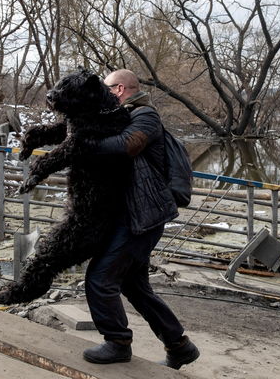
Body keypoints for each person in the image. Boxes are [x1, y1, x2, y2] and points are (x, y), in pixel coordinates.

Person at [82, 69, 199, 369]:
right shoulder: (123, 115)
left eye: (106, 88)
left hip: (142, 217)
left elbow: (127, 146)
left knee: (100, 277)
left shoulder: (145, 116)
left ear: (119, 89)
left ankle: (117, 342)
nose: (102, 93)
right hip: (134, 214)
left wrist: (84, 147)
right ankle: (179, 346)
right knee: (134, 286)